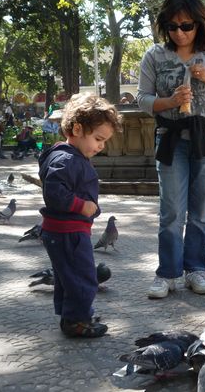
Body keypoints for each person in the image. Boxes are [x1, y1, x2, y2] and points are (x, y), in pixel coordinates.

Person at [137, 0, 205, 299]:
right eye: (172, 26)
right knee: (171, 210)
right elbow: (142, 99)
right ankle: (167, 273)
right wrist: (168, 101)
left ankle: (196, 270)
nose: (179, 33)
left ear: (200, 23)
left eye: (186, 25)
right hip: (170, 139)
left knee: (200, 211)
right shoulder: (155, 55)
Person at [38, 93, 123, 338]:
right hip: (68, 232)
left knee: (68, 277)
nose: (101, 146)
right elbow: (54, 191)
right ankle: (77, 321)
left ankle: (73, 315)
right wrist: (80, 206)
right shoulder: (67, 159)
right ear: (77, 129)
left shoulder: (64, 155)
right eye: (98, 139)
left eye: (104, 141)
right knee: (84, 277)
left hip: (64, 231)